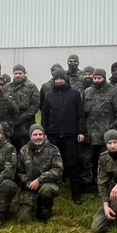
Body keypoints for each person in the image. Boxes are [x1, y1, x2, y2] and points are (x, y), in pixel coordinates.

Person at [41, 68, 86, 203]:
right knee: (53, 163)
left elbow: (80, 114)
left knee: (72, 163)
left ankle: (76, 194)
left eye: (61, 79)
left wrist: (81, 132)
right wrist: (45, 133)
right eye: (57, 79)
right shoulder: (48, 95)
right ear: (54, 80)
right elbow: (44, 116)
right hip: (53, 135)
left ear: (66, 80)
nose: (59, 81)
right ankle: (52, 189)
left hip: (70, 135)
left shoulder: (74, 94)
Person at [83, 68, 117, 192]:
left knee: (108, 163)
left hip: (106, 137)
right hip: (90, 136)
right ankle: (93, 185)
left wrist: (113, 132)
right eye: (95, 78)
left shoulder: (113, 92)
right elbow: (82, 113)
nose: (96, 80)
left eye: (99, 78)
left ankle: (109, 185)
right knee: (90, 162)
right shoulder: (87, 92)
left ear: (104, 78)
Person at [16, 124, 63, 223]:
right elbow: (19, 172)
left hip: (47, 183)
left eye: (40, 134)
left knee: (46, 191)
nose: (38, 137)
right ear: (30, 136)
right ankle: (34, 205)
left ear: (44, 135)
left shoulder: (53, 150)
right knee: (23, 219)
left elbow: (58, 170)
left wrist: (39, 180)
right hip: (29, 186)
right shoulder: (23, 150)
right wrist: (29, 183)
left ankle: (45, 209)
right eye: (35, 135)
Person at [3, 64, 40, 151]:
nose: (18, 75)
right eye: (16, 73)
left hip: (26, 127)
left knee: (25, 150)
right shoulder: (7, 87)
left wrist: (21, 118)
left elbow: (35, 105)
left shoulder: (31, 87)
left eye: (20, 73)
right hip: (11, 127)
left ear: (24, 74)